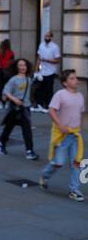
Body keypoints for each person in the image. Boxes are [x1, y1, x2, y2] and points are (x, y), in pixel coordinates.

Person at [39, 70, 85, 202]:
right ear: (65, 83)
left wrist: (79, 129)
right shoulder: (60, 94)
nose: (76, 80)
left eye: (75, 78)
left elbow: (79, 114)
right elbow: (51, 110)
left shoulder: (80, 96)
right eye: (72, 78)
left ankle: (74, 190)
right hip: (62, 135)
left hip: (75, 135)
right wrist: (60, 125)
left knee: (76, 162)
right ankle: (45, 175)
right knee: (58, 163)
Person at [0, 58, 39, 160]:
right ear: (17, 67)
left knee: (27, 129)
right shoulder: (14, 79)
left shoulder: (28, 79)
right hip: (14, 109)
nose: (23, 67)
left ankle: (29, 151)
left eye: (24, 65)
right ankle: (1, 143)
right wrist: (14, 99)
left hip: (25, 109)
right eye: (20, 65)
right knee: (8, 128)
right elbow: (6, 92)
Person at [33, 31, 61, 113]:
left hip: (50, 71)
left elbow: (57, 60)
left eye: (48, 36)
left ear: (51, 37)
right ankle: (39, 104)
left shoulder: (55, 47)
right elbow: (39, 58)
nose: (46, 38)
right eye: (45, 36)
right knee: (40, 88)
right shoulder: (41, 45)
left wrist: (47, 60)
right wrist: (36, 70)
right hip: (42, 71)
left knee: (49, 89)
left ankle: (48, 106)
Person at [0, 39, 14, 109]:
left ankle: (0, 101)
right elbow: (12, 63)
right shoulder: (11, 53)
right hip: (7, 71)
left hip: (0, 71)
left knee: (0, 87)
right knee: (7, 87)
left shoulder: (0, 52)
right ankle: (6, 101)